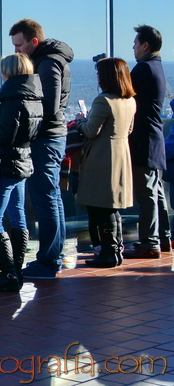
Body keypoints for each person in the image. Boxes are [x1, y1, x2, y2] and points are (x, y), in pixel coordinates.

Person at [8, 18, 74, 279]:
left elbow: (49, 105)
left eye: (20, 45)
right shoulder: (51, 60)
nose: (17, 51)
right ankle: (52, 256)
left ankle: (48, 261)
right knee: (52, 197)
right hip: (53, 137)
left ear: (34, 42)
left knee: (46, 198)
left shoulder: (48, 64)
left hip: (46, 139)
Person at [0, 53, 42, 291]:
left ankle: (10, 273)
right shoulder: (33, 96)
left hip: (7, 164)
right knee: (18, 215)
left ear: (9, 72)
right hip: (22, 161)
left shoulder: (14, 100)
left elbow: (2, 138)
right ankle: (16, 271)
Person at [75, 58, 136, 267]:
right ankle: (116, 248)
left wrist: (81, 121)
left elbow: (91, 131)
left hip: (102, 157)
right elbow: (128, 130)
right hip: (121, 153)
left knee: (101, 205)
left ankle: (108, 252)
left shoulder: (104, 100)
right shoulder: (130, 101)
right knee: (113, 206)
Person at [126, 25, 169, 258]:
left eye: (135, 43)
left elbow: (123, 91)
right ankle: (162, 238)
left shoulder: (143, 68)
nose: (133, 47)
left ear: (145, 45)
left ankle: (149, 242)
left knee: (147, 194)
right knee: (156, 191)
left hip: (143, 140)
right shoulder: (158, 67)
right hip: (154, 139)